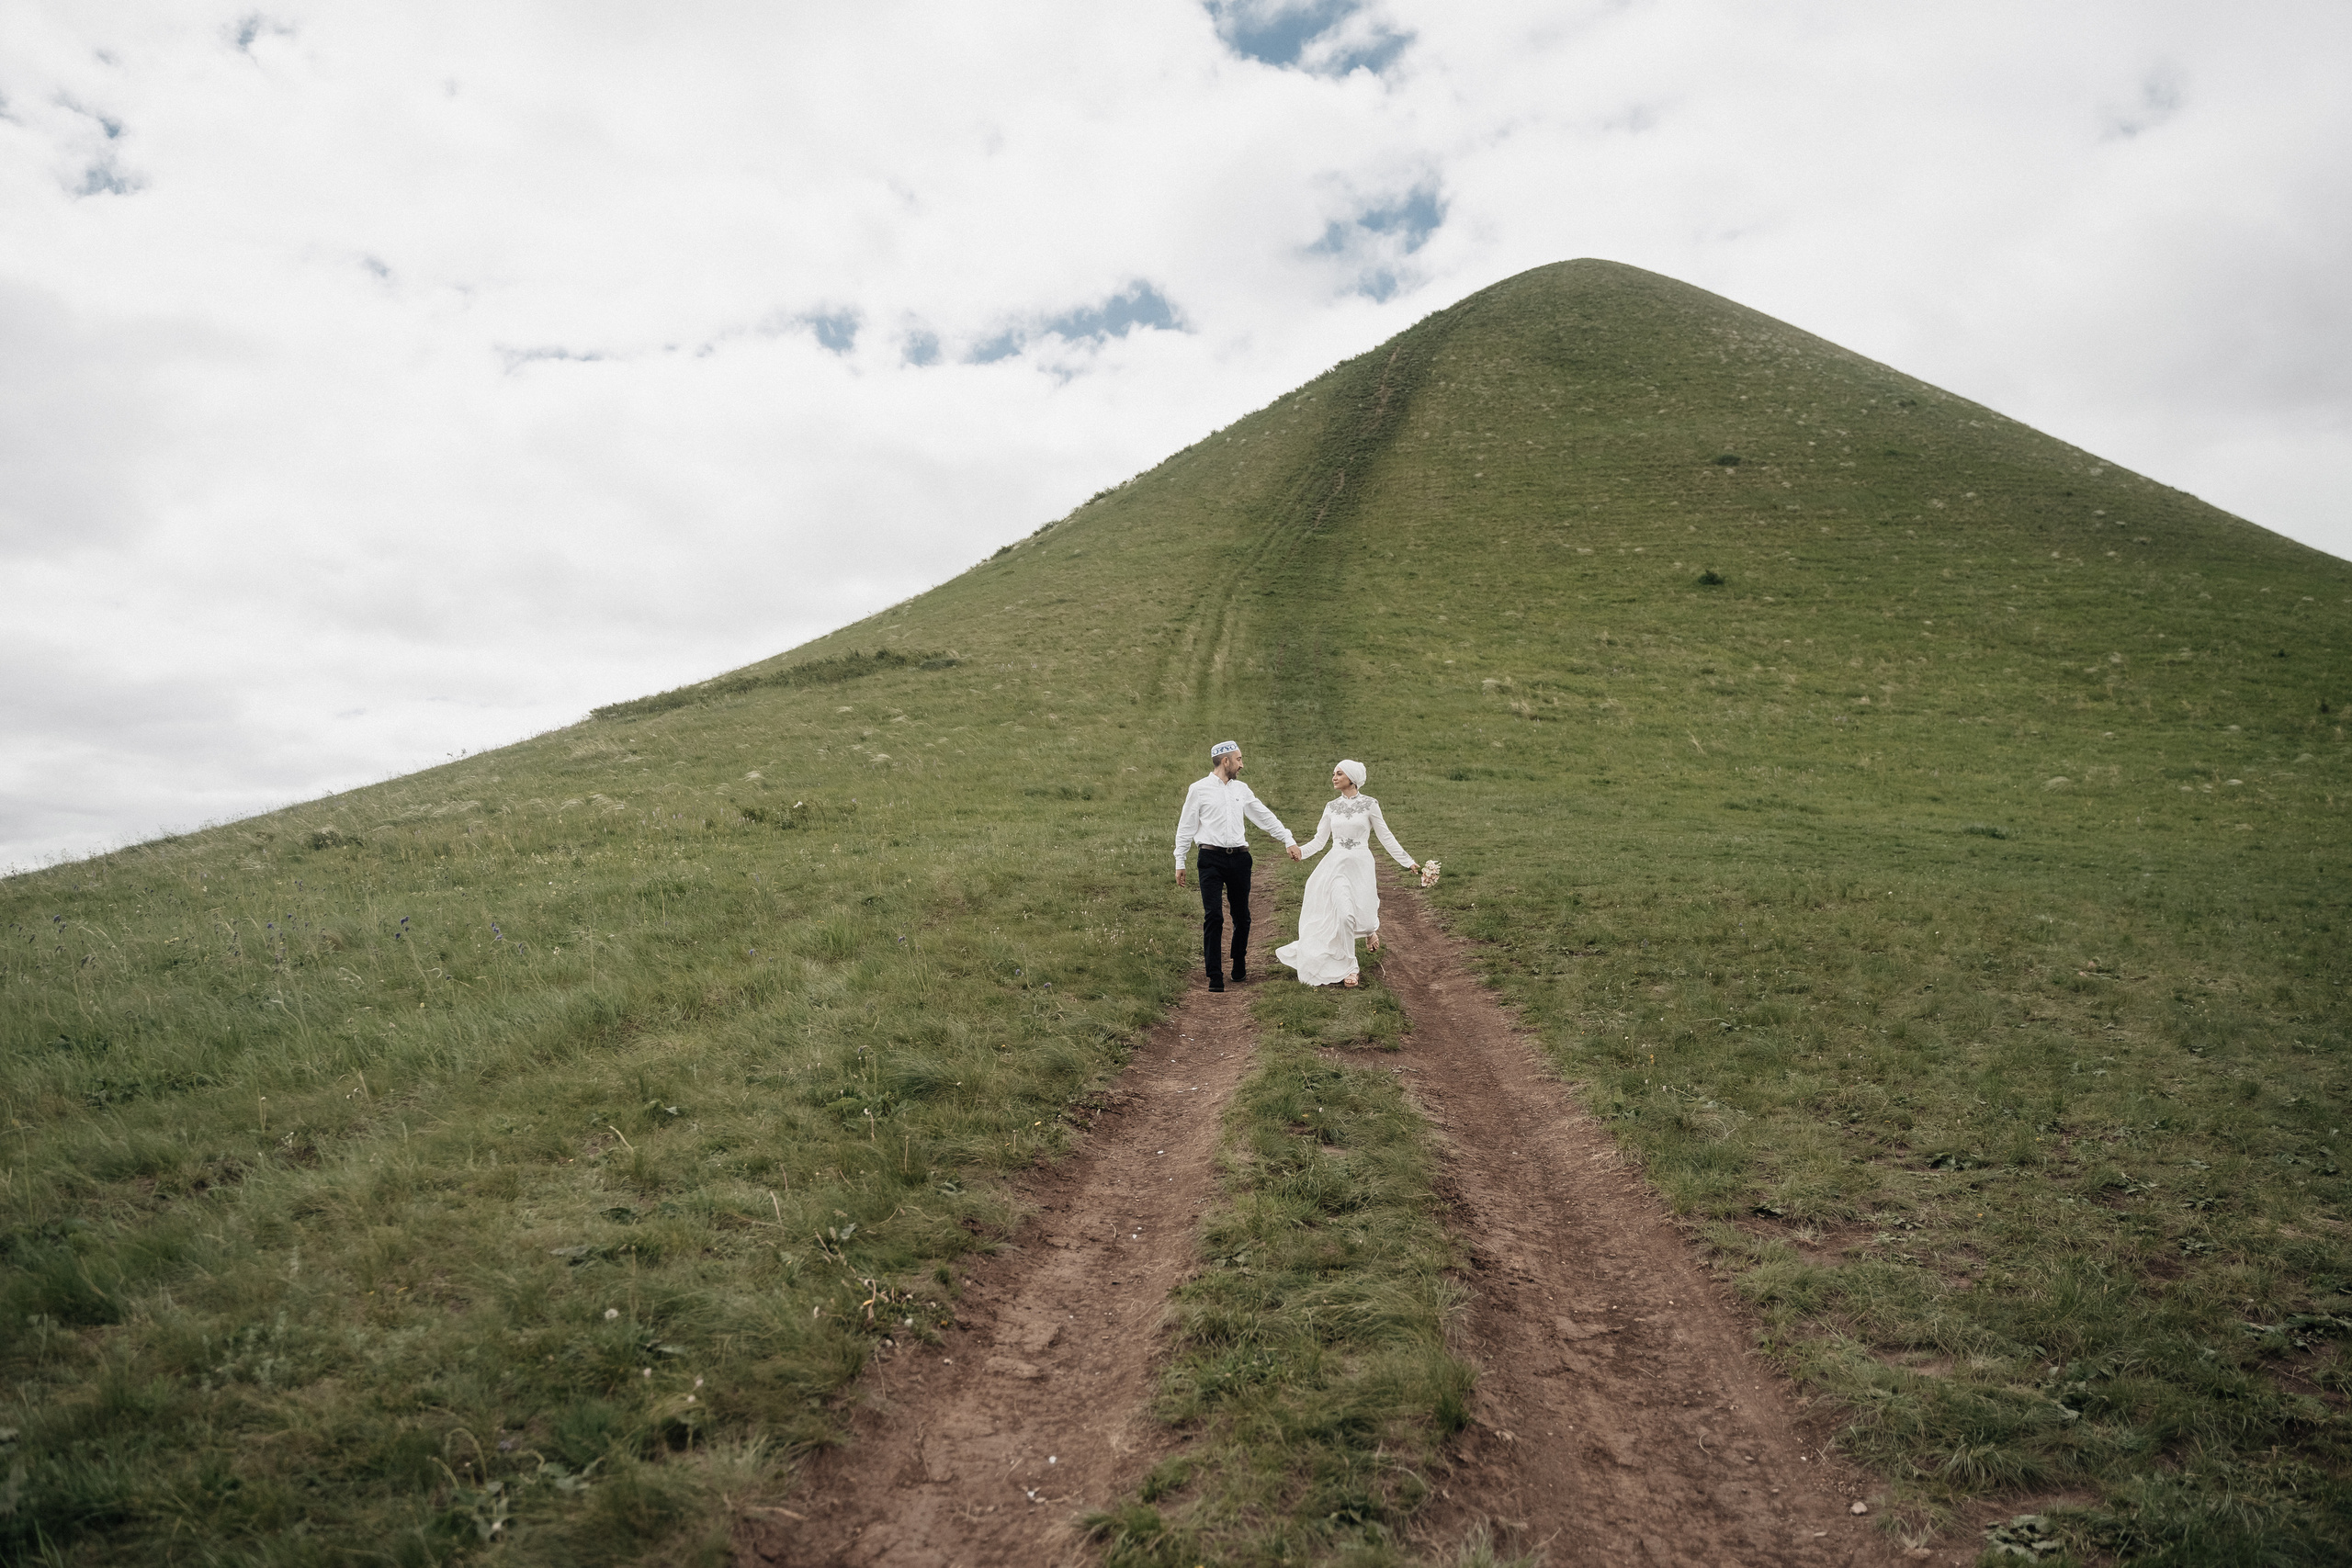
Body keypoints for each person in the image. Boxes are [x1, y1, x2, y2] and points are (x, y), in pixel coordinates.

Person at [1276, 760, 1423, 988]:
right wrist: (1301, 852)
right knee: (1344, 916)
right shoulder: (1331, 807)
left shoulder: (1370, 805)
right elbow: (1320, 840)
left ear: (1352, 778)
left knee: (1364, 914)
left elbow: (1386, 836)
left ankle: (1370, 931)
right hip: (1335, 866)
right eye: (1333, 773)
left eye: (1339, 774)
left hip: (1361, 866)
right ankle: (1350, 967)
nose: (1334, 778)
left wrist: (1408, 862)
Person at [1174, 740, 1301, 992]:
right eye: (1239, 759)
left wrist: (1287, 838)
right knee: (1213, 916)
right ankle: (1214, 975)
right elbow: (1186, 826)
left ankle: (1239, 962)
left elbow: (1263, 815)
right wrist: (1180, 860)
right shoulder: (1198, 789)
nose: (1242, 765)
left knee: (1242, 916)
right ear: (1226, 761)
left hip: (1240, 859)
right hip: (1210, 859)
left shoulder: (1241, 789)